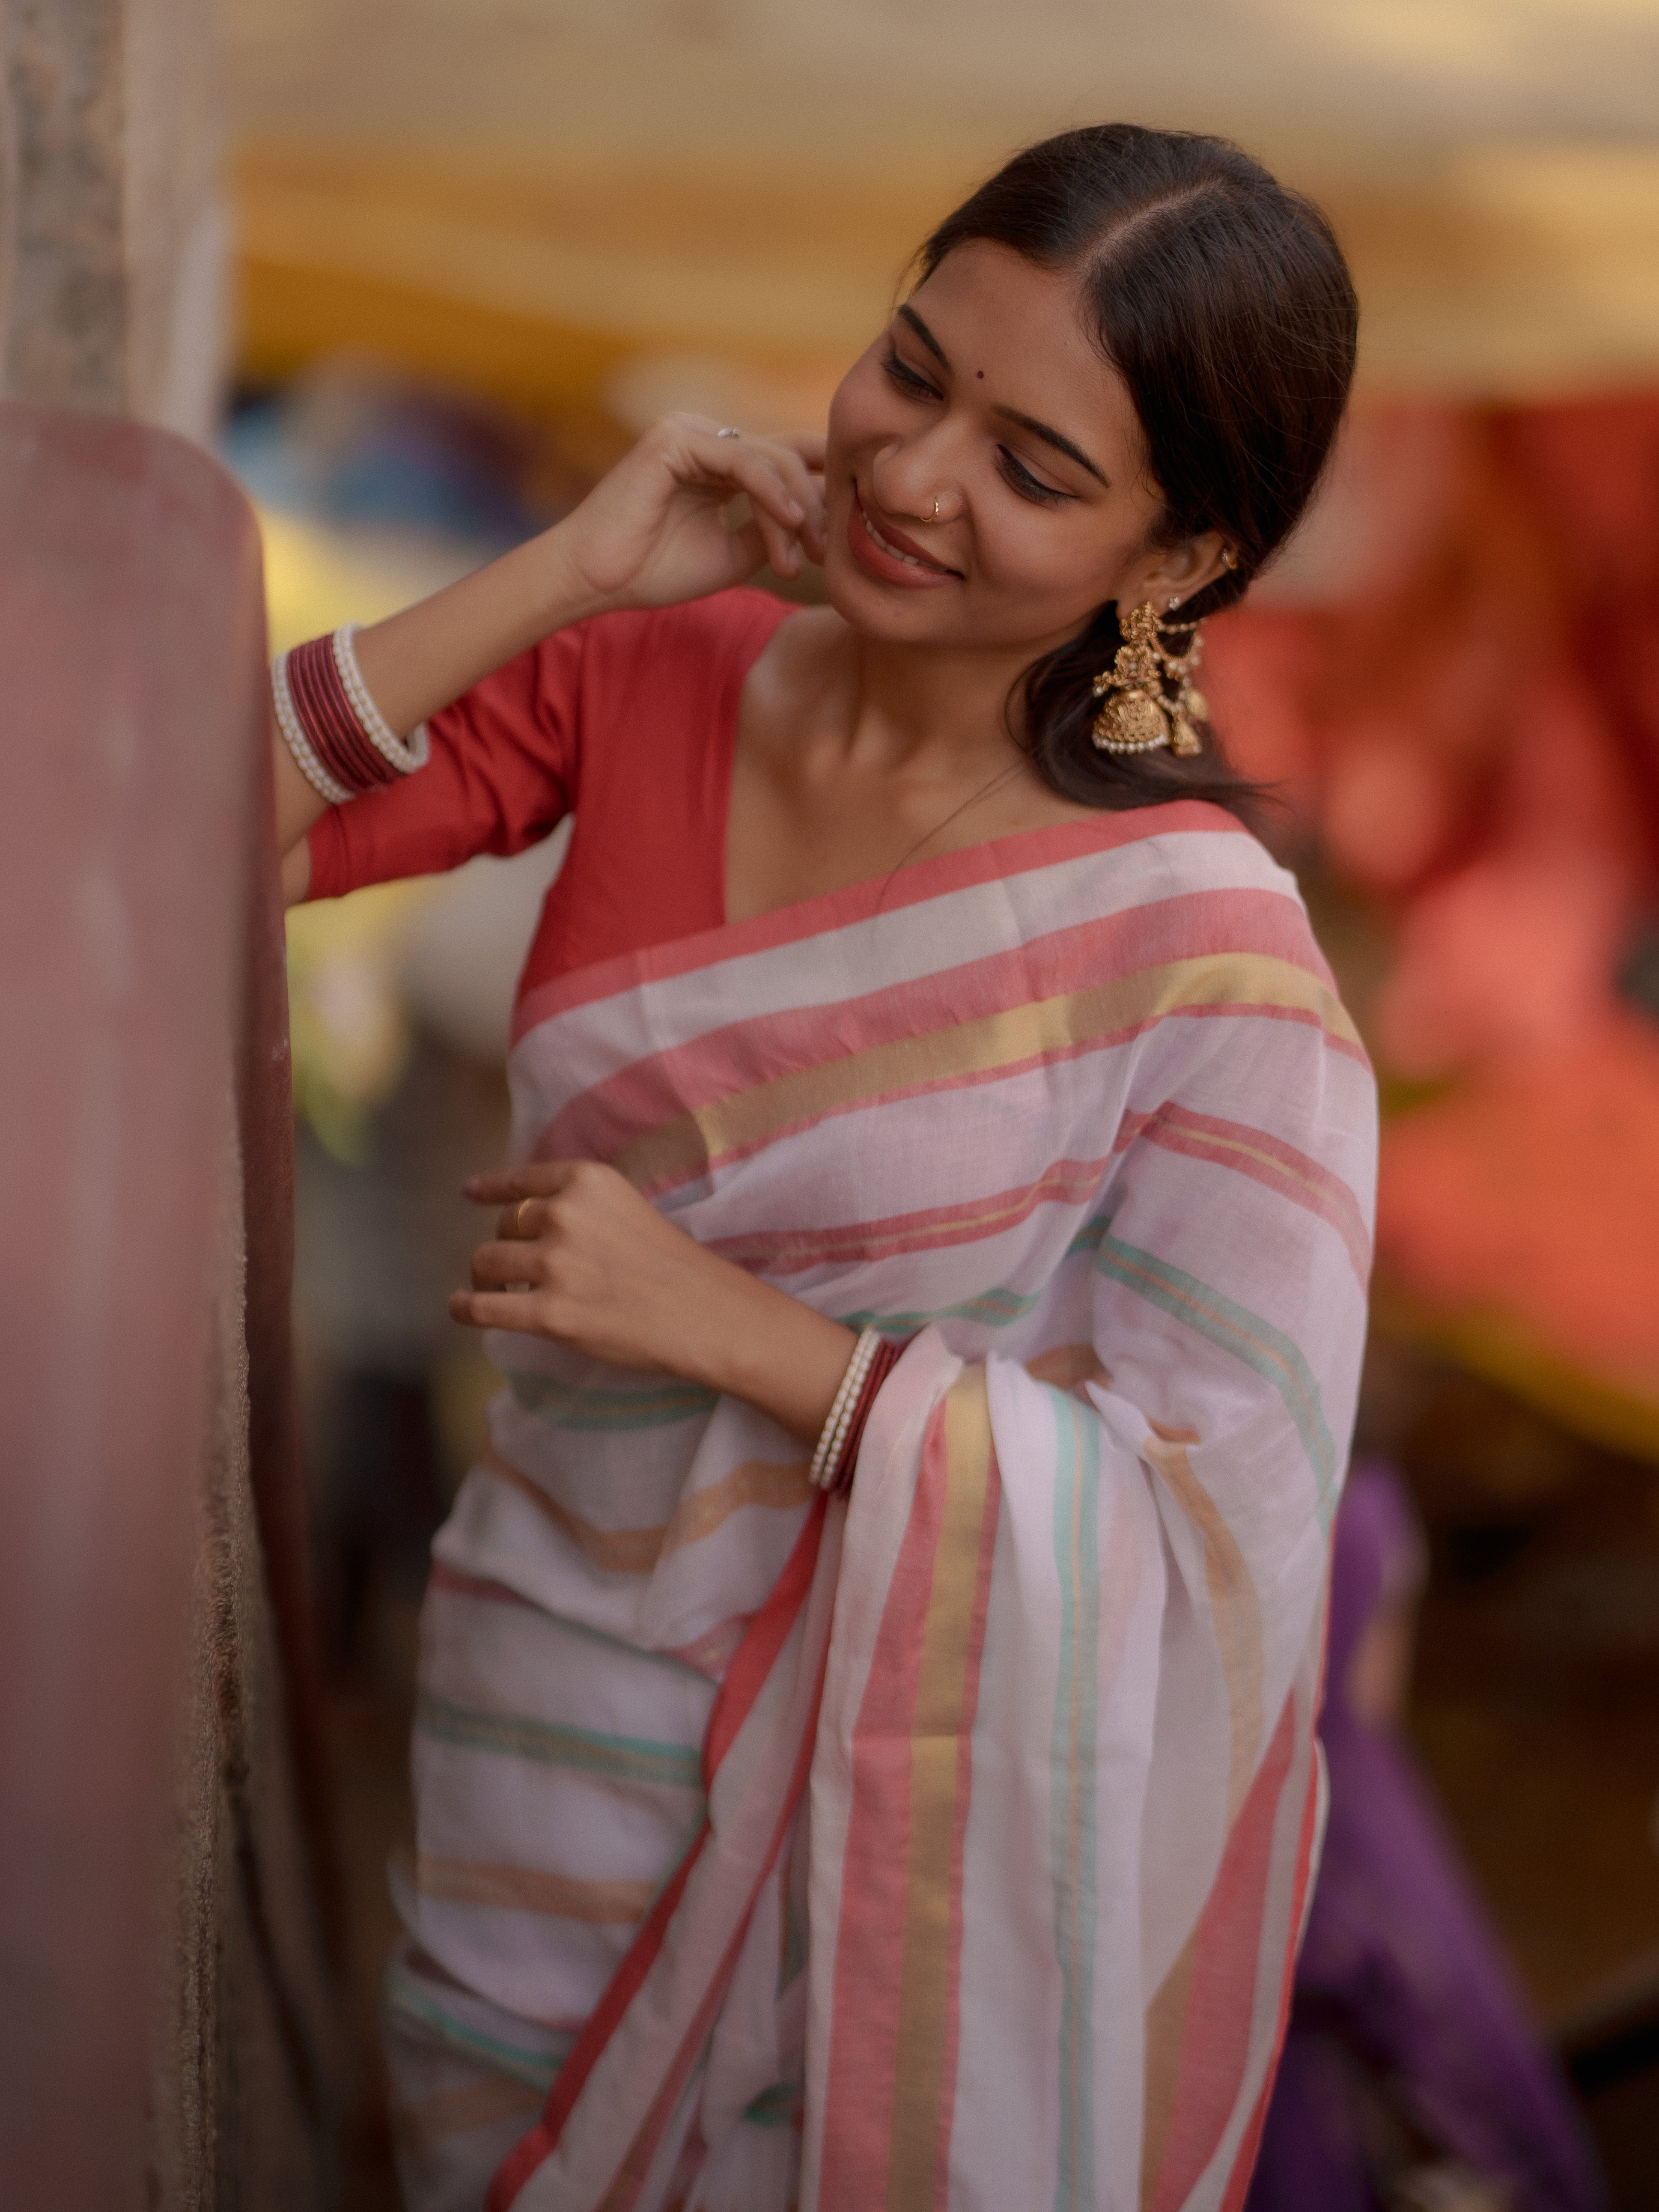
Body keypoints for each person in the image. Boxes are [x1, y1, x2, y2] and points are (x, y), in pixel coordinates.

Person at [274, 125, 1374, 2212]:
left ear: (1179, 558)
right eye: (911, 370)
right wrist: (575, 568)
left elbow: (1214, 1521)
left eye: (1031, 466)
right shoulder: (648, 673)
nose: (913, 473)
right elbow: (153, 830)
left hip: (876, 1856)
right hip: (526, 1723)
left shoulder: (1202, 949)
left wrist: (748, 1335)